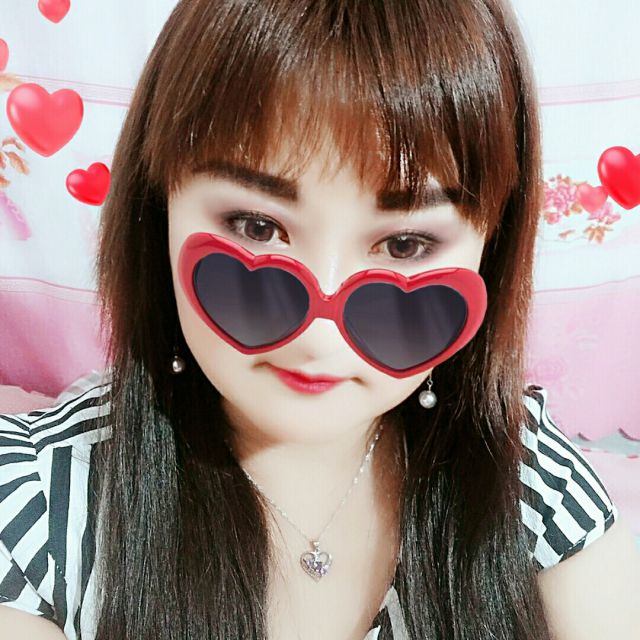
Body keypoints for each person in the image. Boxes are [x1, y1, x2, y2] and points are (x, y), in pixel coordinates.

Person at [1, 1, 639, 639]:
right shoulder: (38, 506)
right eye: (257, 227)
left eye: (405, 245)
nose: (319, 333)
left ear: (489, 251)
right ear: (159, 203)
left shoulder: (527, 476)